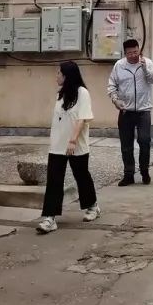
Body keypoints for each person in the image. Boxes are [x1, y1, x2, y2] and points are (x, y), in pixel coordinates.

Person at [37, 61, 99, 234]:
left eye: (59, 73)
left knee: (81, 176)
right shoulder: (60, 94)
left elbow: (82, 118)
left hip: (76, 145)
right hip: (57, 146)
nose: (56, 76)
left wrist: (72, 140)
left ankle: (92, 206)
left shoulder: (82, 93)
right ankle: (49, 218)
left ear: (67, 75)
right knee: (54, 181)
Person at [107, 38, 153, 186]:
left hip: (144, 111)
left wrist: (145, 69)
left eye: (135, 52)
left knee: (144, 141)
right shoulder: (119, 66)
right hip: (126, 111)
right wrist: (115, 100)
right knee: (126, 145)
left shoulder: (147, 63)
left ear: (139, 50)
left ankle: (144, 171)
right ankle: (128, 174)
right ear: (125, 53)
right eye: (130, 53)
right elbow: (111, 85)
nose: (133, 55)